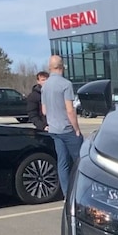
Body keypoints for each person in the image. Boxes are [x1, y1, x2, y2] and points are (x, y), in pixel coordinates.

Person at [40, 55, 83, 197]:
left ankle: (67, 194)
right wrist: (77, 129)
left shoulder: (45, 86)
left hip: (54, 129)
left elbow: (44, 111)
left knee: (62, 163)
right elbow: (70, 110)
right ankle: (81, 192)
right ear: (62, 67)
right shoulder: (66, 84)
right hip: (67, 129)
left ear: (50, 68)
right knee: (80, 161)